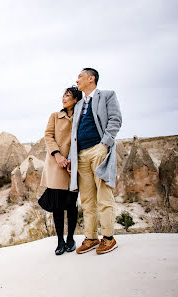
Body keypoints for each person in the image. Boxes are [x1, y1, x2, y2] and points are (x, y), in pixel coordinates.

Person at [67, 68, 122, 255]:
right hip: (81, 155)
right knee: (87, 200)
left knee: (104, 196)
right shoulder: (78, 104)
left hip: (99, 151)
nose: (77, 80)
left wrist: (104, 145)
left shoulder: (107, 95)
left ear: (91, 79)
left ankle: (108, 238)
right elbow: (73, 133)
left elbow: (115, 120)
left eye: (80, 77)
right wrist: (70, 158)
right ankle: (91, 237)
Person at [39, 86, 82, 255]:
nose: (64, 98)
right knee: (57, 206)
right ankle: (60, 241)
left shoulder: (81, 117)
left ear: (75, 100)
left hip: (73, 165)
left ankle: (71, 238)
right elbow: (48, 136)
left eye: (68, 96)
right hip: (57, 165)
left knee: (71, 205)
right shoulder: (55, 116)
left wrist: (73, 158)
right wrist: (57, 155)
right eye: (63, 95)